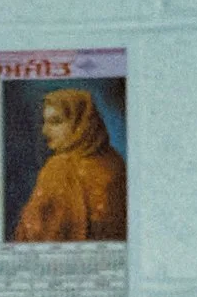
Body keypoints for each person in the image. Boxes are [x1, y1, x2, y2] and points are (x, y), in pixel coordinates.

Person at [10, 86, 128, 243]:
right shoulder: (116, 161)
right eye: (45, 122)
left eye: (56, 122)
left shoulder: (60, 167)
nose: (45, 131)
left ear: (81, 124)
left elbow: (34, 233)